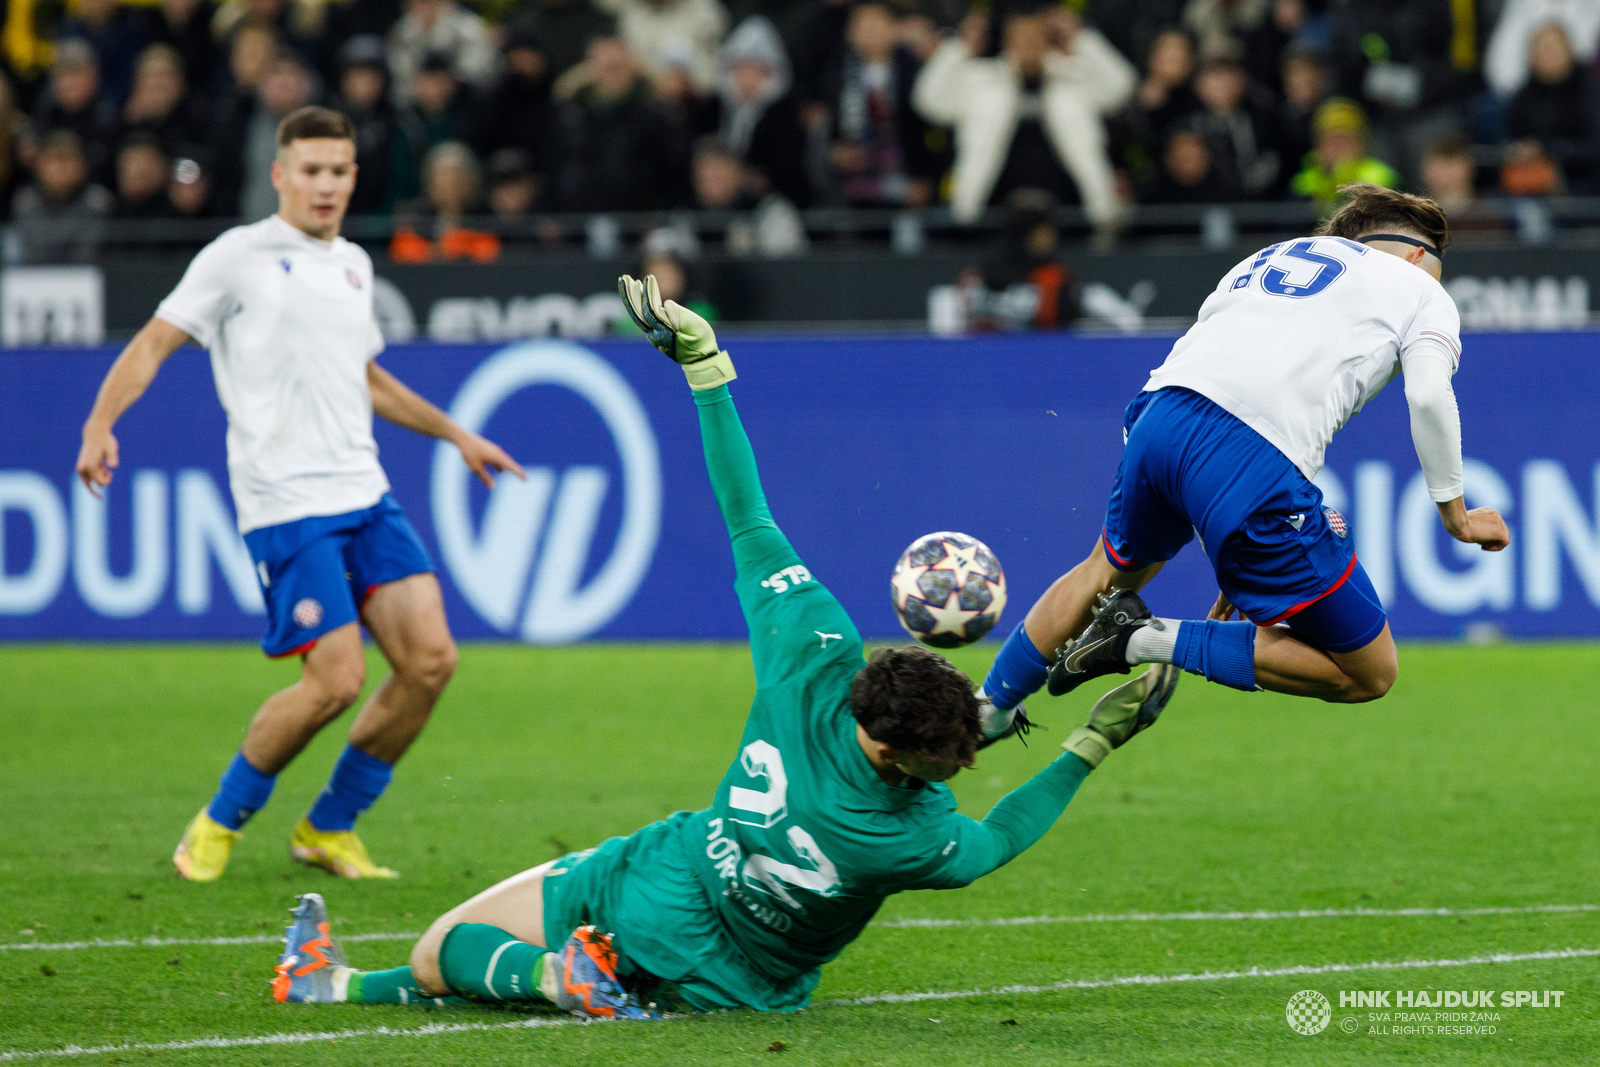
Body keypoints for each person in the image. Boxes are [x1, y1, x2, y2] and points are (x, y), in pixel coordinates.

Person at [270, 271, 1179, 1016]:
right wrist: (1089, 743)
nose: (965, 761)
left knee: (450, 948)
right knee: (457, 962)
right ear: (899, 753)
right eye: (953, 755)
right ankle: (356, 983)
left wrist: (705, 367)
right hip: (739, 984)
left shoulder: (813, 652)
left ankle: (547, 975)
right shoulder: (906, 835)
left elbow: (747, 518)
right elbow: (998, 839)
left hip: (666, 879)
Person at [73, 106, 524, 883]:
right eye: (310, 170)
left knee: (430, 661)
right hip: (285, 500)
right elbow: (154, 341)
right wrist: (100, 422)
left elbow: (367, 378)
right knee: (336, 680)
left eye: (339, 171)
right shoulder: (238, 256)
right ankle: (219, 820)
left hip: (366, 490)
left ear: (354, 177)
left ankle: (329, 826)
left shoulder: (353, 263)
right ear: (280, 174)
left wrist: (456, 434)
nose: (325, 185)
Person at [977, 184, 1510, 726]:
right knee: (1370, 672)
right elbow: (1427, 394)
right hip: (1250, 458)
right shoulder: (1420, 288)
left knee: (1102, 571)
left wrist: (1226, 537)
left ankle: (987, 707)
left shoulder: (1269, 257)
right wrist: (1456, 515)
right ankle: (1141, 638)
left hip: (1159, 417)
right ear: (1420, 256)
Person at [912, 9, 1135, 227]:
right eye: (1019, 38)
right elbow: (928, 100)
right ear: (1007, 43)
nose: (1028, 44)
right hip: (992, 215)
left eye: (1035, 36)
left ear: (1048, 40)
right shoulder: (982, 81)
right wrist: (960, 46)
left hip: (1071, 215)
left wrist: (1081, 38)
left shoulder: (1073, 77)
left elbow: (1122, 87)